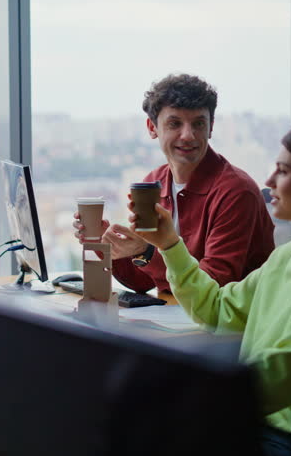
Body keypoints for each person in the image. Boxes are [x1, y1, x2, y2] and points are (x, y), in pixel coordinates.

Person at [130, 119, 291, 456]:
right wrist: (170, 244)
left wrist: (188, 394)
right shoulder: (288, 256)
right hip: (260, 426)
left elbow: (285, 375)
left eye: (283, 171)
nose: (268, 181)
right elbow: (216, 309)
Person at [74, 73, 275, 293]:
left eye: (199, 123)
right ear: (152, 128)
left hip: (232, 324)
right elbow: (145, 280)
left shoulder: (236, 191)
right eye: (174, 123)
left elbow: (214, 284)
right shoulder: (153, 184)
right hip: (178, 319)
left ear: (211, 127)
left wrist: (146, 252)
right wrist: (108, 246)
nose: (188, 135)